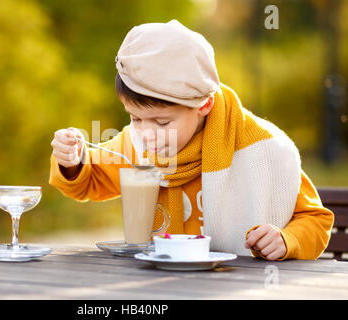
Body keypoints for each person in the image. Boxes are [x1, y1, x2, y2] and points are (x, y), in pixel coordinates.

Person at [49, 19, 334, 260]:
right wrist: (71, 160)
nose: (146, 134)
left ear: (204, 105)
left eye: (162, 122)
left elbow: (315, 221)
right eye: (135, 118)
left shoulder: (264, 148)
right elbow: (89, 181)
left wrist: (287, 240)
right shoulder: (135, 143)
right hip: (158, 285)